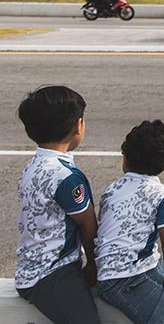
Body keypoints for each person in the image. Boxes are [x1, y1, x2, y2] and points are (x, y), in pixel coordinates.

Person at [95, 120, 164, 324]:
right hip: (125, 279)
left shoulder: (111, 190)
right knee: (163, 319)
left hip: (131, 267)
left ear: (125, 158)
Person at [15, 86, 101, 324]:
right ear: (78, 126)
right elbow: (88, 227)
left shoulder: (32, 167)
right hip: (53, 274)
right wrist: (93, 268)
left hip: (30, 269)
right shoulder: (67, 176)